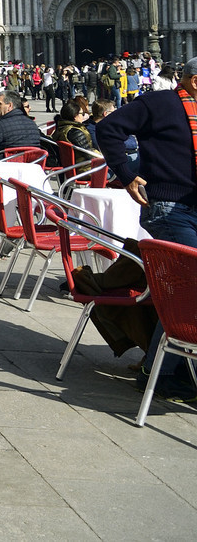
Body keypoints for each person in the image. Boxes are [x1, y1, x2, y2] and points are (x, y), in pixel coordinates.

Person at [97, 56, 197, 400]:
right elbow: (109, 129)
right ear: (194, 81)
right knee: (189, 288)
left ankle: (161, 369)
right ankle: (168, 372)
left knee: (181, 293)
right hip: (169, 210)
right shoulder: (160, 103)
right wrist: (126, 173)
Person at [0, 90, 43, 160]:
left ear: (10, 106)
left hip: (5, 168)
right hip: (29, 167)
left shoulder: (0, 126)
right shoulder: (32, 125)